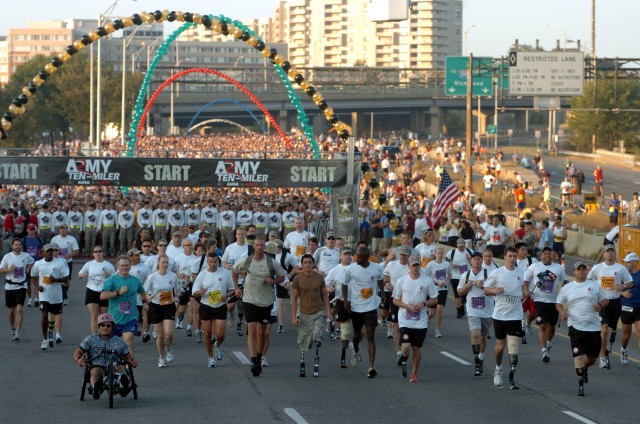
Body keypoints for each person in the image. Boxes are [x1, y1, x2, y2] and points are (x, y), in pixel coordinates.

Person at [232, 238, 286, 377]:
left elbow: (282, 276)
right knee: (252, 331)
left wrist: (273, 280)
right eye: (257, 245)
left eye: (262, 245)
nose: (260, 247)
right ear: (253, 246)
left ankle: (260, 357)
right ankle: (253, 361)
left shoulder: (271, 262)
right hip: (249, 300)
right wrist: (237, 288)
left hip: (265, 302)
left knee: (261, 333)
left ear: (265, 247)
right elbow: (234, 270)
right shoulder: (247, 260)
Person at [556, 262, 608, 396]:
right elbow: (558, 303)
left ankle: (584, 368)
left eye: (583, 269)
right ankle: (580, 382)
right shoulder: (568, 287)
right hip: (575, 326)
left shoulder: (594, 286)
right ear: (574, 272)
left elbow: (605, 300)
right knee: (578, 354)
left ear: (586, 271)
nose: (581, 271)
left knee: (592, 358)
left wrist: (600, 306)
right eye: (578, 269)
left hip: (593, 327)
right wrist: (562, 312)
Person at [483, 247, 525, 389]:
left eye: (514, 256)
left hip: (516, 315)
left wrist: (526, 293)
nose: (512, 259)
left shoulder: (520, 273)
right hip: (500, 315)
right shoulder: (497, 273)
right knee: (500, 347)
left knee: (513, 345)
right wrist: (495, 290)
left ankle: (512, 375)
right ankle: (498, 368)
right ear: (505, 257)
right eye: (510, 256)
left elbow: (524, 290)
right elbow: (485, 289)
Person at [392, 254, 438, 383]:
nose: (415, 267)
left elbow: (435, 298)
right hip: (405, 318)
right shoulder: (402, 281)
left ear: (420, 266)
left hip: (421, 320)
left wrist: (424, 303)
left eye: (417, 265)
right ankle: (404, 357)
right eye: (413, 265)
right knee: (406, 346)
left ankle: (414, 372)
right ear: (409, 266)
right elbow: (395, 300)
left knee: (417, 348)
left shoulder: (427, 280)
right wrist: (406, 305)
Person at [587, 244, 633, 369]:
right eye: (608, 252)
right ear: (603, 254)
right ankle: (602, 358)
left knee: (612, 329)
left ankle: (610, 342)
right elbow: (588, 280)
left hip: (616, 302)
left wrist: (623, 287)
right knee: (604, 329)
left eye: (612, 251)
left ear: (615, 254)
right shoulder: (597, 268)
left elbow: (629, 282)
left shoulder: (621, 268)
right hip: (602, 302)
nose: (610, 254)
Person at [341, 245, 384, 378]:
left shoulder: (376, 268)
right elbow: (344, 284)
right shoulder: (351, 269)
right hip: (356, 307)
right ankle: (354, 344)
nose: (356, 259)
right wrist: (345, 300)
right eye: (356, 257)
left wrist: (382, 293)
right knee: (358, 334)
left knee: (370, 334)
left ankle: (371, 366)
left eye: (359, 258)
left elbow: (380, 279)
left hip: (370, 306)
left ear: (366, 258)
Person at [73, 313, 138, 400]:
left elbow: (128, 356)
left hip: (115, 365)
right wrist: (79, 360)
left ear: (112, 327)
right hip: (98, 365)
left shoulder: (120, 341)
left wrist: (132, 361)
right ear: (99, 327)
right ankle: (96, 388)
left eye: (108, 325)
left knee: (122, 368)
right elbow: (78, 352)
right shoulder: (90, 339)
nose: (105, 327)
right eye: (102, 325)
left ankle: (123, 385)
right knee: (95, 371)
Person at [523, 247, 567, 363]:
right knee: (543, 325)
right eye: (545, 254)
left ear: (552, 256)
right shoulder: (534, 266)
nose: (547, 255)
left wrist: (564, 294)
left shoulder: (558, 268)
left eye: (549, 254)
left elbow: (565, 281)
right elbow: (526, 279)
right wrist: (527, 291)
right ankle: (543, 350)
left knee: (551, 326)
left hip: (553, 301)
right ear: (541, 256)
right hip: (539, 300)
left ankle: (548, 343)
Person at [291, 254, 331, 377]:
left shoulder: (319, 278)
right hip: (304, 313)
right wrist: (293, 317)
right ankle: (302, 360)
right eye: (305, 262)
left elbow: (324, 295)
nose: (308, 264)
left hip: (319, 312)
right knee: (304, 341)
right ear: (302, 264)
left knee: (317, 336)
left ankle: (317, 355)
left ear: (313, 264)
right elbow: (294, 297)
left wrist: (329, 311)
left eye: (310, 262)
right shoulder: (297, 279)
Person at [192, 252, 235, 368]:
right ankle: (210, 357)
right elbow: (194, 291)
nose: (212, 264)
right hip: (206, 306)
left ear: (218, 261)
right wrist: (200, 292)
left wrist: (227, 296)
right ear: (207, 262)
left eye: (215, 261)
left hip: (220, 305)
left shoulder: (225, 273)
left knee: (221, 334)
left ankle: (218, 344)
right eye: (210, 262)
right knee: (208, 334)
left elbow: (232, 289)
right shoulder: (202, 275)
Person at [100, 255, 149, 356]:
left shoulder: (135, 280)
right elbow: (102, 296)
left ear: (130, 266)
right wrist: (118, 292)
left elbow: (143, 292)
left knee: (128, 339)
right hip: (115, 318)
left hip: (131, 317)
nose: (125, 268)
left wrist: (145, 303)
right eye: (122, 265)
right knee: (111, 346)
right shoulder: (111, 280)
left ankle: (128, 366)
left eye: (127, 265)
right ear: (117, 266)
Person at [457, 251, 493, 376]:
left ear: (482, 261)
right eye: (474, 259)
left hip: (487, 310)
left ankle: (481, 356)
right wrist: (466, 287)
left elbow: (494, 291)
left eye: (479, 259)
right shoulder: (466, 275)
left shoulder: (488, 274)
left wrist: (483, 286)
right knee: (475, 333)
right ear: (471, 261)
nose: (477, 261)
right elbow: (460, 292)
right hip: (472, 310)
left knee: (483, 336)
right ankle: (476, 360)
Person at [31, 243, 69, 350]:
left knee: (53, 316)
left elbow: (66, 278)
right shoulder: (38, 264)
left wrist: (55, 280)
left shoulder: (60, 263)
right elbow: (33, 276)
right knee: (44, 314)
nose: (50, 253)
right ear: (43, 252)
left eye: (51, 251)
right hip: (44, 294)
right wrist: (38, 287)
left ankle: (51, 331)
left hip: (56, 294)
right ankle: (45, 339)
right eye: (47, 251)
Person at [144, 254, 179, 368]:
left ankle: (168, 348)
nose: (165, 265)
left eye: (166, 262)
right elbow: (145, 291)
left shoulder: (173, 276)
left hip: (169, 306)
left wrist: (177, 296)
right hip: (156, 306)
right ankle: (161, 357)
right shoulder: (152, 277)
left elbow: (176, 288)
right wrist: (148, 296)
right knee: (160, 335)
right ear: (158, 263)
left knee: (169, 334)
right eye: (163, 262)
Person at [0, 238, 35, 341]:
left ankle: (17, 332)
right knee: (11, 311)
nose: (17, 246)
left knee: (19, 309)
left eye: (19, 245)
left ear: (21, 246)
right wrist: (9, 269)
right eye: (15, 245)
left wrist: (29, 268)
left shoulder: (25, 256)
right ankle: (12, 328)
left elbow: (32, 261)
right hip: (10, 286)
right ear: (12, 246)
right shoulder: (7, 257)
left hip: (21, 286)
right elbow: (0, 270)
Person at [325, 245, 354, 368]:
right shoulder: (335, 270)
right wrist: (329, 288)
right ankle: (344, 348)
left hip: (359, 302)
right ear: (340, 256)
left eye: (349, 254)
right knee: (346, 331)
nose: (347, 256)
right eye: (345, 254)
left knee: (362, 330)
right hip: (342, 302)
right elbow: (325, 285)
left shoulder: (357, 268)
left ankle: (355, 344)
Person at [77, 245, 116, 334]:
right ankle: (94, 337)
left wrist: (108, 276)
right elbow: (80, 274)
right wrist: (82, 275)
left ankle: (103, 334)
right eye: (96, 251)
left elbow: (115, 278)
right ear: (93, 254)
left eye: (99, 251)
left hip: (104, 292)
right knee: (94, 315)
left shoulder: (108, 265)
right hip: (91, 290)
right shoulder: (89, 264)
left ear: (103, 253)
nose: (98, 253)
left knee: (103, 316)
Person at [425, 247, 452, 338]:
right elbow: (427, 277)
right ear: (435, 254)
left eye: (441, 253)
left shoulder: (446, 264)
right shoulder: (430, 265)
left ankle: (437, 330)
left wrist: (445, 282)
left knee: (439, 310)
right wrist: (437, 282)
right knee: (432, 312)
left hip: (443, 289)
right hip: (433, 289)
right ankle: (427, 319)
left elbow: (449, 274)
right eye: (438, 253)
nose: (440, 255)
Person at [50, 224, 79, 306]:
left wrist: (67, 256)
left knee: (67, 279)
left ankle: (65, 292)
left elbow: (76, 250)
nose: (62, 230)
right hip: (56, 262)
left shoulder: (72, 239)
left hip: (67, 262)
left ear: (67, 230)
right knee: (58, 278)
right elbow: (50, 250)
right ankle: (63, 296)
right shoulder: (54, 239)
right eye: (61, 228)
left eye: (64, 229)